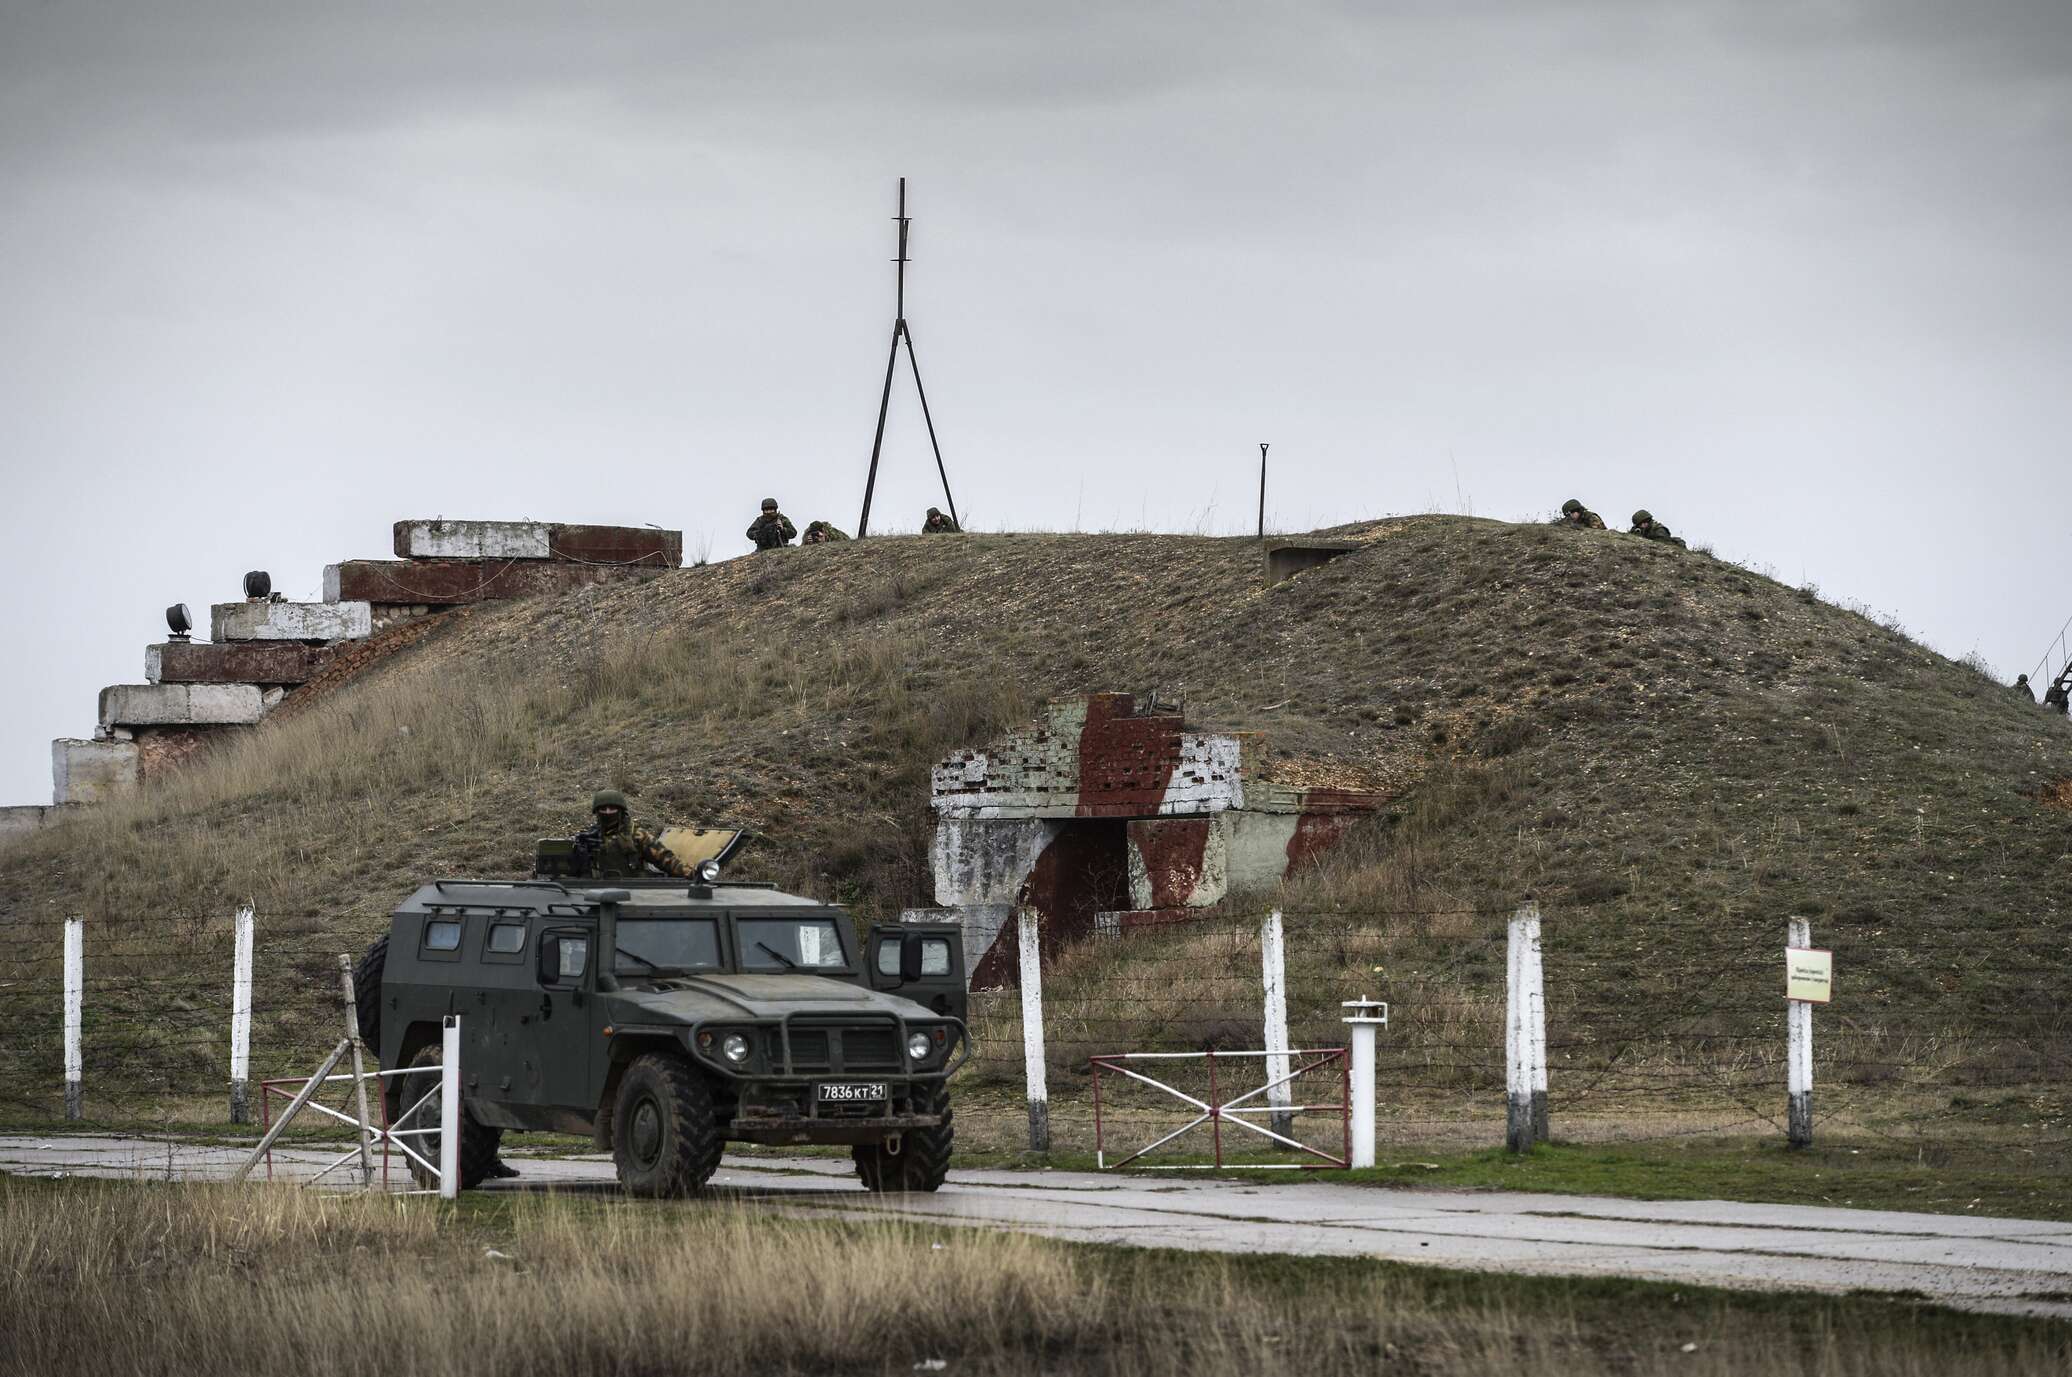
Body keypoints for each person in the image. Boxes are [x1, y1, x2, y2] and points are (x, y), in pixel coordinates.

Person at [577, 790, 688, 878]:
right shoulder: (589, 837)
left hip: (634, 891)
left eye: (612, 808)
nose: (607, 812)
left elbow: (666, 859)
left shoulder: (637, 835)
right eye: (603, 809)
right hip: (598, 892)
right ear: (596, 812)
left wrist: (697, 875)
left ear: (621, 811)